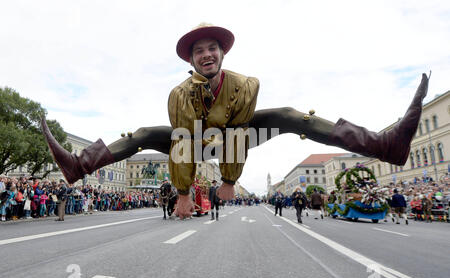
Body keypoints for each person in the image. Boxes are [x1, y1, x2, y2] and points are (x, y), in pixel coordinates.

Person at [40, 23, 430, 220]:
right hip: (190, 138)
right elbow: (183, 142)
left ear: (222, 54)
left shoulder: (245, 86)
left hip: (233, 135)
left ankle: (382, 145)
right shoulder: (178, 95)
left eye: (212, 48)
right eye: (199, 51)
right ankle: (79, 164)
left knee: (291, 116)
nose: (206, 55)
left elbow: (238, 135)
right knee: (144, 134)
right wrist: (182, 193)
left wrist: (229, 182)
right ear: (190, 61)